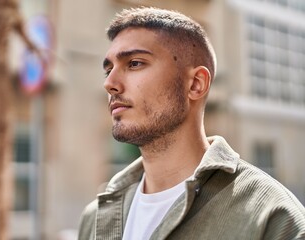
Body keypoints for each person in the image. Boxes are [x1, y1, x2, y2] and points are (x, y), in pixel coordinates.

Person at [78, 7, 305, 240]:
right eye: (108, 70)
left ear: (196, 84)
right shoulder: (95, 218)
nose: (110, 83)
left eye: (134, 63)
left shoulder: (272, 217)